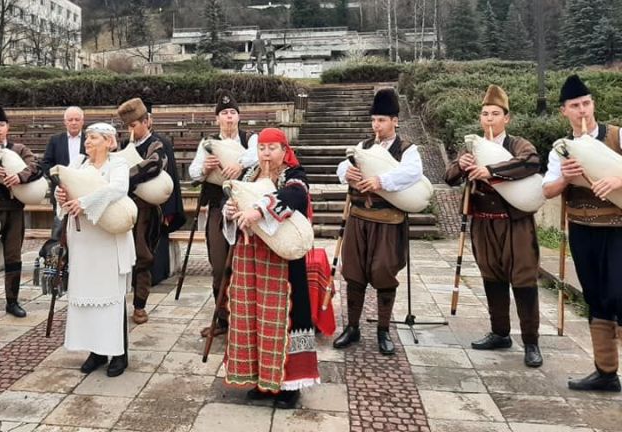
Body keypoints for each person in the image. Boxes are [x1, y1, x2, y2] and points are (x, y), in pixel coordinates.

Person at [445, 85, 543, 367]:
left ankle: (531, 342)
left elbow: (532, 163)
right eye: (485, 113)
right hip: (484, 224)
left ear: (506, 118)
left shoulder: (517, 145)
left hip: (515, 224)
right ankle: (500, 332)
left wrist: (491, 170)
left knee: (523, 279)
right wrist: (462, 165)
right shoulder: (472, 147)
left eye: (495, 114)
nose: (489, 119)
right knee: (492, 277)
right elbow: (449, 175)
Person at [222, 127, 319, 409]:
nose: (266, 153)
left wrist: (259, 209)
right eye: (262, 148)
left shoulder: (294, 176)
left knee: (284, 318)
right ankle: (262, 379)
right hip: (251, 258)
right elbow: (234, 201)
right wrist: (230, 211)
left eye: (272, 148)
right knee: (253, 314)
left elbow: (294, 198)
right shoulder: (248, 176)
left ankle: (289, 385)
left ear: (284, 150)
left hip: (283, 263)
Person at [543, 74, 622, 392]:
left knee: (619, 294)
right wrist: (564, 178)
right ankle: (605, 373)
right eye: (575, 106)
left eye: (586, 103)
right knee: (596, 297)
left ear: (594, 105)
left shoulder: (616, 136)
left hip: (618, 229)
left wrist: (618, 179)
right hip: (582, 229)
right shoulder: (561, 150)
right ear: (564, 111)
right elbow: (547, 190)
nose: (582, 110)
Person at [332, 88, 423, 355]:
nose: (377, 126)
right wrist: (346, 173)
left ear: (395, 120)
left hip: (388, 221)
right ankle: (352, 327)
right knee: (354, 273)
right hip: (359, 219)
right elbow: (342, 166)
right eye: (374, 120)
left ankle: (384, 330)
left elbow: (412, 173)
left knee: (384, 272)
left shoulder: (407, 149)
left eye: (382, 120)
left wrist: (381, 181)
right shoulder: (364, 147)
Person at [55, 122, 135, 377]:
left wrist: (86, 201)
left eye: (93, 138)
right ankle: (96, 351)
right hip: (84, 240)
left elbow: (119, 189)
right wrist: (61, 197)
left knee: (111, 297)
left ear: (109, 141)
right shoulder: (78, 164)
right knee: (87, 295)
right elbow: (66, 190)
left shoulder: (117, 163)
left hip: (107, 239)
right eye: (87, 138)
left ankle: (119, 354)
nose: (87, 142)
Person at [189, 90, 258, 337]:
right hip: (218, 208)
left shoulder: (250, 139)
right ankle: (223, 318)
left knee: (246, 266)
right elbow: (193, 173)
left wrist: (240, 164)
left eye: (233, 113)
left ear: (239, 117)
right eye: (224, 114)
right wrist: (205, 169)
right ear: (217, 118)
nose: (229, 118)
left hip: (248, 210)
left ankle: (247, 319)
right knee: (219, 266)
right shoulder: (207, 144)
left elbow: (257, 155)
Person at [0, 105, 41, 318]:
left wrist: (20, 176)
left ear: (8, 127)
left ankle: (12, 301)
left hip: (14, 209)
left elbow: (35, 166)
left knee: (13, 255)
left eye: (1, 125)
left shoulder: (19, 149)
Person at [116, 97, 172, 325]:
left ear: (146, 122)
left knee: (143, 256)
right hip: (123, 207)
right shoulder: (122, 145)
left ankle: (140, 305)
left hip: (146, 211)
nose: (131, 130)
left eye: (134, 125)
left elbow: (153, 165)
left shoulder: (156, 144)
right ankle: (117, 301)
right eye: (128, 126)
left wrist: (123, 177)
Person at [144, 101, 186, 286]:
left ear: (149, 120)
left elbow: (171, 179)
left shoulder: (162, 143)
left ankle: (157, 276)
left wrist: (169, 209)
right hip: (138, 205)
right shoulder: (125, 144)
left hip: (159, 204)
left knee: (158, 240)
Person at [41, 106, 86, 239]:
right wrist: (58, 181)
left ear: (82, 121)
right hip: (60, 190)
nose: (73, 122)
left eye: (77, 119)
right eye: (70, 119)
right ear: (65, 122)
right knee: (59, 226)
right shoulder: (55, 140)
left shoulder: (90, 139)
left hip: (83, 190)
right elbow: (46, 163)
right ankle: (56, 255)